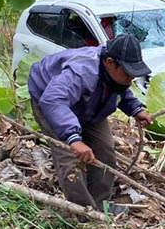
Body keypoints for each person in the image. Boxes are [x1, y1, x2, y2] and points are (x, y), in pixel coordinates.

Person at [28, 34, 154, 214]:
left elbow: (119, 88)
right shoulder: (81, 72)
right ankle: (84, 213)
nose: (130, 80)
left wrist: (135, 109)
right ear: (110, 62)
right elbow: (53, 100)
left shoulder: (113, 73)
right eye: (128, 74)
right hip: (50, 101)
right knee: (70, 159)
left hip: (89, 104)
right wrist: (74, 139)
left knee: (105, 150)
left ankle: (100, 205)